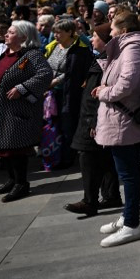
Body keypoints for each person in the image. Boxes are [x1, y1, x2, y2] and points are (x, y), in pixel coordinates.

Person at [93, 11, 140, 247]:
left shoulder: (132, 48)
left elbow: (127, 84)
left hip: (123, 118)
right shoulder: (128, 47)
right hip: (121, 116)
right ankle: (128, 216)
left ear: (124, 30)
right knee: (130, 171)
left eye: (112, 29)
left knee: (128, 173)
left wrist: (104, 92)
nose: (110, 33)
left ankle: (131, 224)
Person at [64, 24, 122, 216]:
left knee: (88, 156)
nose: (91, 39)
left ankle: (89, 201)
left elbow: (99, 96)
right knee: (104, 158)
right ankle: (111, 195)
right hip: (92, 117)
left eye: (95, 36)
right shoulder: (101, 59)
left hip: (94, 119)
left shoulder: (106, 61)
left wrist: (94, 122)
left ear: (104, 41)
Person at [0, 20, 51, 202]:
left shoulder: (31, 55)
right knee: (4, 146)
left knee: (15, 147)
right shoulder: (6, 54)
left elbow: (45, 74)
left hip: (16, 110)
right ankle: (12, 180)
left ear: (24, 37)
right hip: (0, 109)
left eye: (11, 32)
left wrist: (22, 88)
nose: (6, 34)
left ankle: (21, 183)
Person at [44, 17, 94, 168]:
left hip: (69, 94)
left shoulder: (80, 50)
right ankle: (53, 155)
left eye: (59, 32)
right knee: (53, 125)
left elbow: (74, 72)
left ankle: (67, 158)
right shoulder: (53, 46)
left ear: (70, 32)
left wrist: (55, 81)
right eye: (54, 32)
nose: (55, 35)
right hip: (51, 94)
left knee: (67, 125)